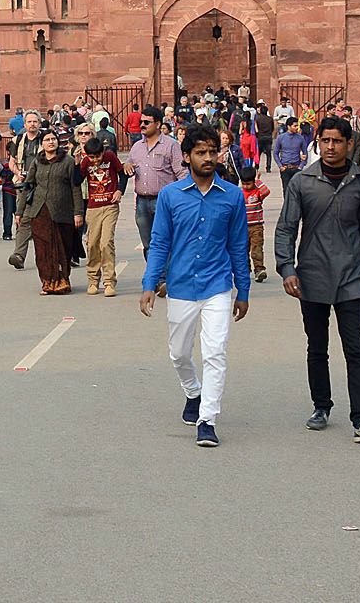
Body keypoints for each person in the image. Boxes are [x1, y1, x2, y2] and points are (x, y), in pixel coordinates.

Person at [273, 114, 360, 444]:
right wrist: (287, 268)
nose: (331, 147)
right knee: (317, 347)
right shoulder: (303, 183)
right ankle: (321, 406)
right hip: (312, 277)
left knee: (355, 350)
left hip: (350, 279)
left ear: (349, 144)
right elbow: (286, 228)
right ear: (317, 143)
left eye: (337, 141)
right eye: (325, 141)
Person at [138, 123, 250, 448]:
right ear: (187, 157)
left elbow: (238, 246)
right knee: (178, 354)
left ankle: (208, 419)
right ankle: (193, 391)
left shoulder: (232, 196)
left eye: (213, 151)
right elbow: (159, 243)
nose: (208, 157)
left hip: (217, 284)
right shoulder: (171, 196)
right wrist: (149, 283)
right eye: (201, 152)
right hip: (181, 285)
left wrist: (242, 291)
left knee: (215, 352)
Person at [23, 129, 85, 294]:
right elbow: (28, 186)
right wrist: (19, 212)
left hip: (62, 212)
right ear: (42, 144)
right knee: (42, 250)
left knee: (63, 248)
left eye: (53, 139)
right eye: (47, 140)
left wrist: (78, 212)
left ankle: (62, 280)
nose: (50, 142)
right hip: (39, 212)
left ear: (58, 142)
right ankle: (47, 282)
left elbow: (75, 188)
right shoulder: (37, 162)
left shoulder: (68, 161)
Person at [128, 106, 186, 273]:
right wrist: (126, 166)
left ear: (159, 124)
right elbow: (129, 165)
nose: (142, 125)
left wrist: (183, 198)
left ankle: (165, 278)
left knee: (165, 240)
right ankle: (156, 274)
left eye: (147, 122)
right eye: (141, 122)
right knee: (148, 243)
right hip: (142, 202)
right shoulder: (137, 147)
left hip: (164, 200)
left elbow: (181, 172)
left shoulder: (171, 145)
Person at [77, 135, 123, 296]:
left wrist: (119, 190)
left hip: (110, 205)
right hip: (93, 207)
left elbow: (122, 173)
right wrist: (77, 163)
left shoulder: (110, 157)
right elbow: (77, 180)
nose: (95, 160)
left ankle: (109, 281)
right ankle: (93, 280)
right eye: (91, 157)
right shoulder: (85, 162)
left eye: (98, 156)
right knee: (92, 244)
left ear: (103, 152)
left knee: (106, 243)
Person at [5, 110, 45, 270]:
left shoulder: (46, 139)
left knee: (45, 220)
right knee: (22, 219)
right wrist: (17, 173)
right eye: (29, 122)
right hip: (24, 185)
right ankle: (19, 255)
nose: (32, 124)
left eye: (35, 122)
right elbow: (11, 162)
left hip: (43, 184)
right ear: (25, 124)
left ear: (40, 124)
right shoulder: (19, 140)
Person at [241, 164, 271, 283]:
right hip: (242, 228)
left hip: (256, 227)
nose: (246, 186)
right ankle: (244, 270)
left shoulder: (257, 192)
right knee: (243, 250)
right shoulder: (239, 193)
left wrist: (258, 181)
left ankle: (259, 269)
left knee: (256, 249)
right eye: (244, 183)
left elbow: (266, 191)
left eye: (248, 183)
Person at [273, 117, 307, 193]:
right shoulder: (281, 138)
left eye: (297, 126)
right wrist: (280, 166)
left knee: (297, 191)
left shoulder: (300, 138)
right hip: (285, 168)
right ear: (288, 126)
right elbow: (275, 153)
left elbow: (305, 153)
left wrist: (301, 166)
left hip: (296, 168)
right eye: (295, 126)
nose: (297, 128)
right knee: (286, 190)